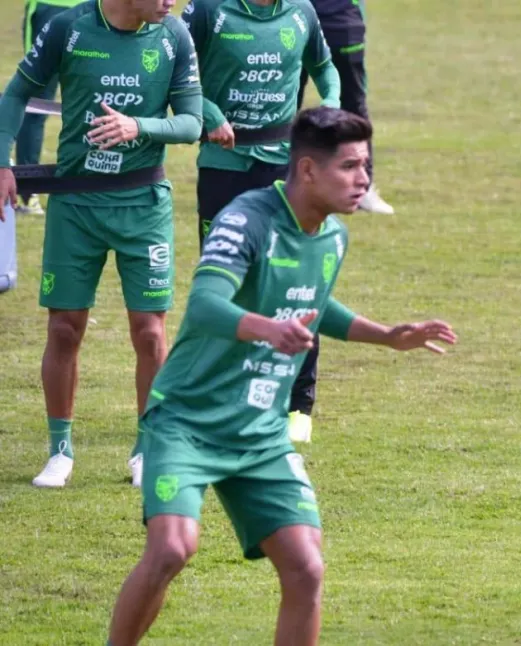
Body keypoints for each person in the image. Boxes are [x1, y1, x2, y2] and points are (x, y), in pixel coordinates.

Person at [106, 106, 457, 646]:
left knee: (306, 567)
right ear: (309, 170)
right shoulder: (247, 219)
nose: (363, 180)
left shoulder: (333, 237)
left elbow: (315, 302)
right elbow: (203, 304)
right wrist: (268, 329)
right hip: (187, 421)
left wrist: (387, 334)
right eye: (350, 167)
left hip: (260, 432)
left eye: (367, 167)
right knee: (172, 550)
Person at [0, 0, 203, 488]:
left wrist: (140, 127)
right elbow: (16, 94)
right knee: (65, 329)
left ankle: (147, 450)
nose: (171, 1)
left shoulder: (174, 35)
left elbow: (192, 121)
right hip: (75, 207)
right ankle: (60, 450)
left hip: (143, 205)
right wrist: (3, 160)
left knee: (150, 332)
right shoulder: (67, 28)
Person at [181, 0, 342, 444]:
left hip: (282, 168)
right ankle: (222, 394)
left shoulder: (301, 11)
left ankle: (298, 404)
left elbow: (326, 69)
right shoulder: (208, 10)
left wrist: (329, 105)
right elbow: (179, 75)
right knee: (223, 283)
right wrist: (209, 113)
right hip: (223, 166)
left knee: (297, 278)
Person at [299, 0, 394, 215]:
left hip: (341, 22)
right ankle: (276, 180)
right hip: (291, 17)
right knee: (283, 103)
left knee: (353, 108)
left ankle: (362, 188)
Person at [12, 0, 87, 217]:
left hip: (97, 10)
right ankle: (27, 189)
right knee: (35, 102)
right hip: (54, 8)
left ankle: (90, 185)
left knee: (93, 98)